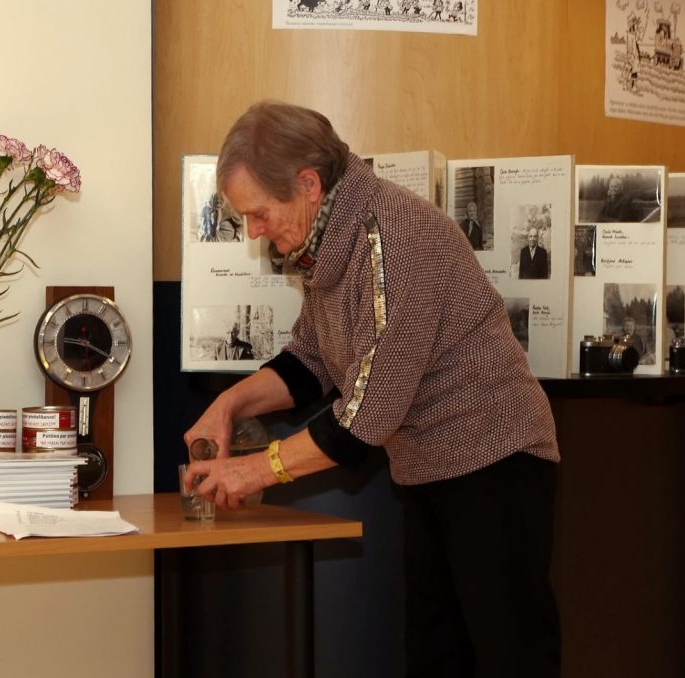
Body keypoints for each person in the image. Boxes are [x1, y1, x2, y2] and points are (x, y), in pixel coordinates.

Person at [183, 101, 560, 678]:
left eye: (259, 213)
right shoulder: (331, 245)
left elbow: (370, 412)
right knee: (436, 659)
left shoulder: (398, 234)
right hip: (429, 471)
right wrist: (227, 407)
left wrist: (253, 470)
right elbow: (311, 361)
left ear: (307, 184)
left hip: (495, 462)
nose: (254, 232)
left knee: (511, 658)